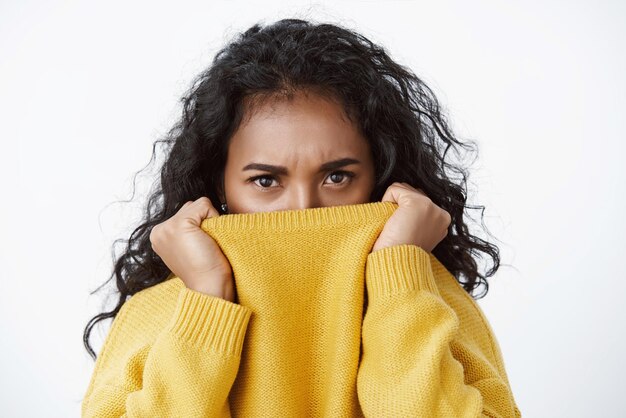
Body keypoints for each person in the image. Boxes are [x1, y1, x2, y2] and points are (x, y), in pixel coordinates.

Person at [82, 18, 521, 417]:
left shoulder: (428, 301)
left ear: (381, 176)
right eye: (266, 181)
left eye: (336, 176)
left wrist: (400, 284)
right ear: (219, 186)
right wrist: (206, 302)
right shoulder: (161, 311)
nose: (302, 210)